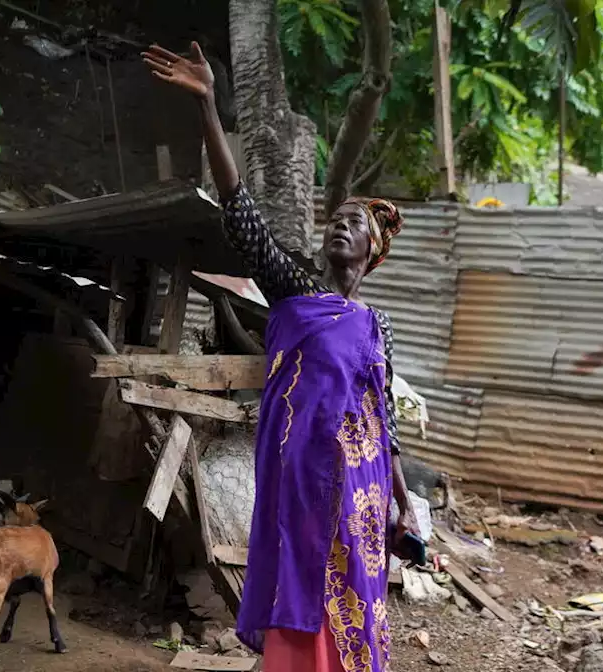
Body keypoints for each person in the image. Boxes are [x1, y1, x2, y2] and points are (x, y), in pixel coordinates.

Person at [142, 42, 416, 672]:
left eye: (354, 224)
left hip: (364, 491)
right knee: (302, 588)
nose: (339, 226)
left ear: (372, 253)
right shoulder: (297, 292)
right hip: (303, 481)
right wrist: (211, 106)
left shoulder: (378, 326)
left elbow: (386, 423)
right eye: (335, 219)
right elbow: (242, 218)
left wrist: (403, 504)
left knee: (353, 600)